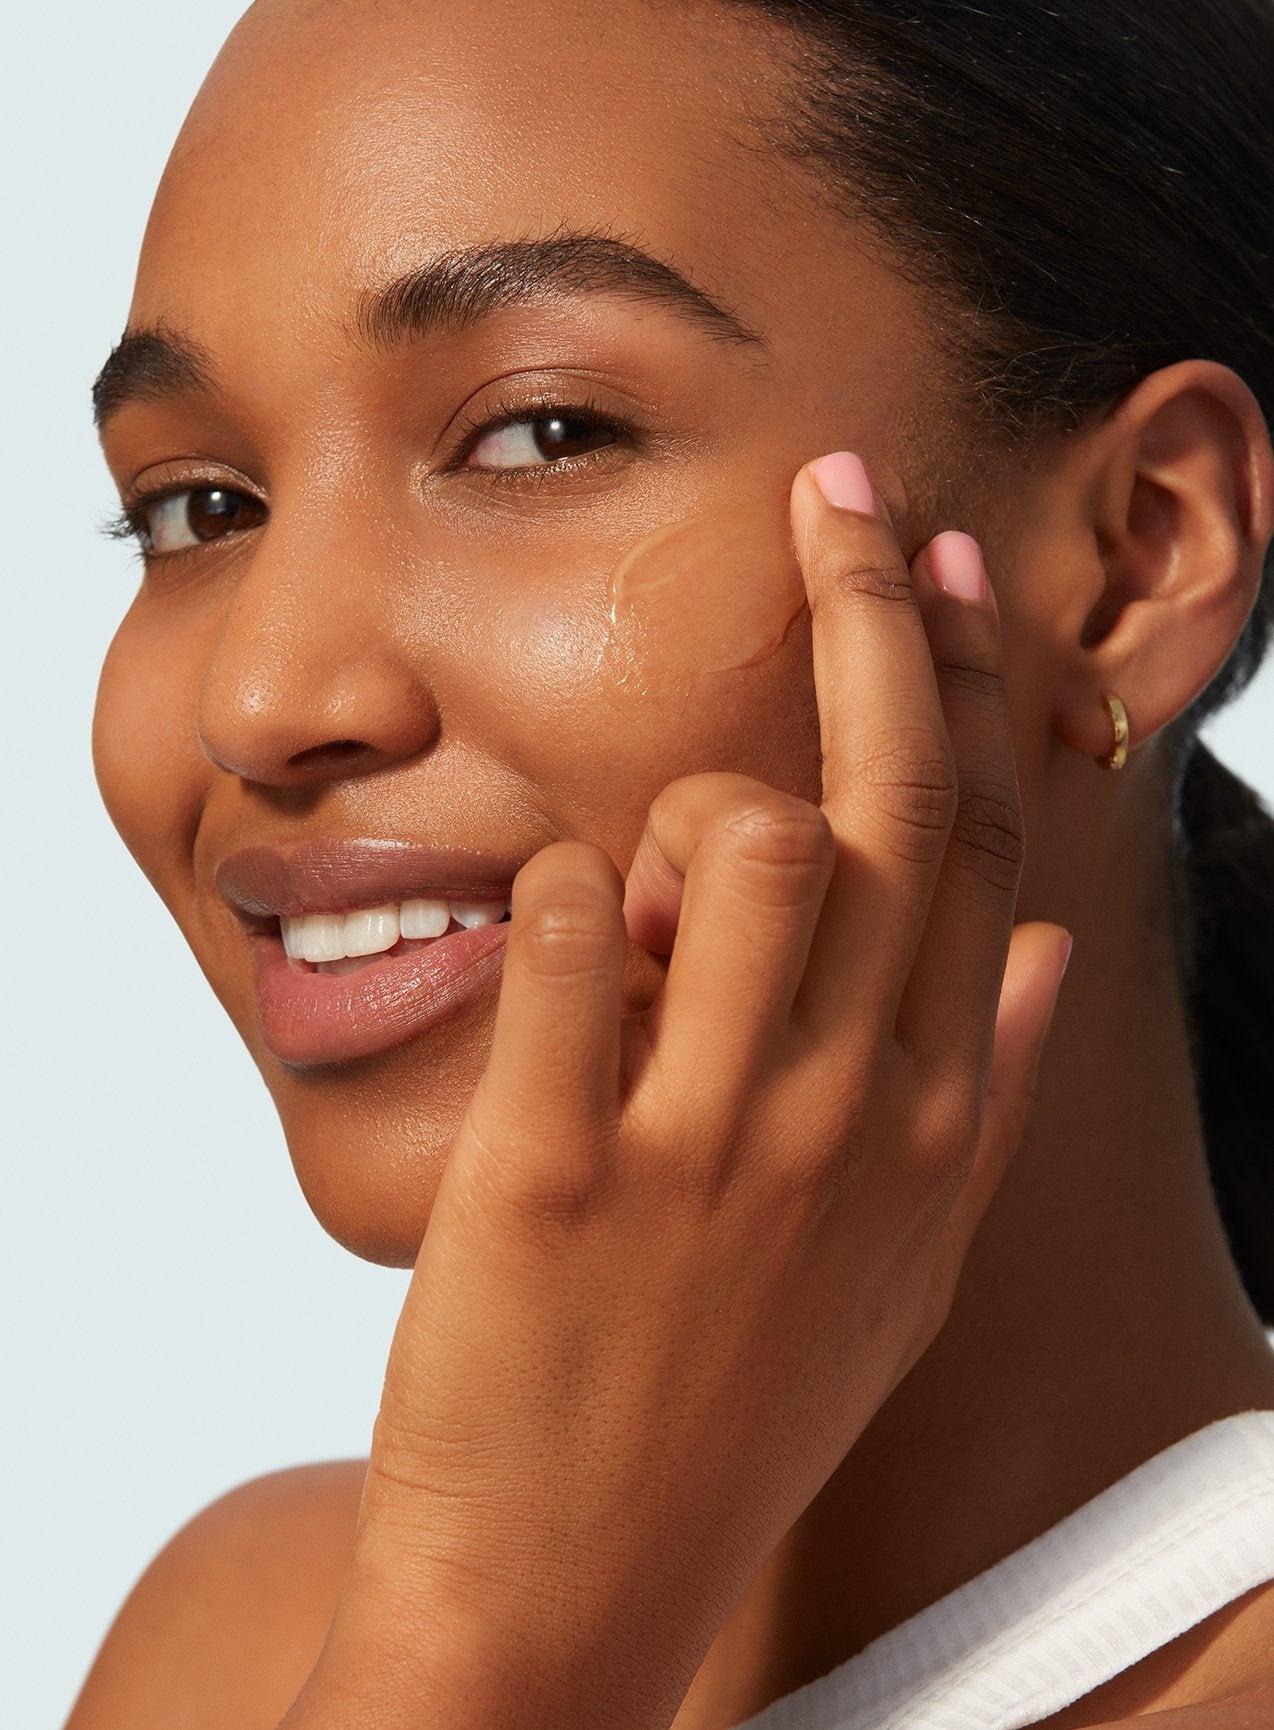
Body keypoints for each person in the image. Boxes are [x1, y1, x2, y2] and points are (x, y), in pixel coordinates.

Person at [68, 1, 1274, 1726]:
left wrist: (490, 1646)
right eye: (198, 505)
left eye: (541, 433)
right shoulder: (256, 1628)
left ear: (1140, 551)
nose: (263, 699)